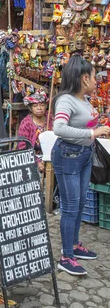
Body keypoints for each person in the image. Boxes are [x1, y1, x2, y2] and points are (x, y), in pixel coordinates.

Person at [52, 55, 109, 276]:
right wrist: (92, 133)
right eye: (95, 77)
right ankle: (66, 256)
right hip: (69, 156)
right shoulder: (66, 100)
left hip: (83, 155)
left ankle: (75, 245)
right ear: (85, 78)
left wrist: (98, 127)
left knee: (80, 202)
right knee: (71, 206)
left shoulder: (83, 99)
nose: (97, 81)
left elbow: (85, 123)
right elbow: (59, 128)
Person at [17, 91, 48, 172]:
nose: (39, 108)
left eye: (42, 105)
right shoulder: (26, 123)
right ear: (30, 108)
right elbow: (22, 147)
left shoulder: (50, 119)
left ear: (46, 106)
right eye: (35, 106)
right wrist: (37, 161)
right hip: (32, 157)